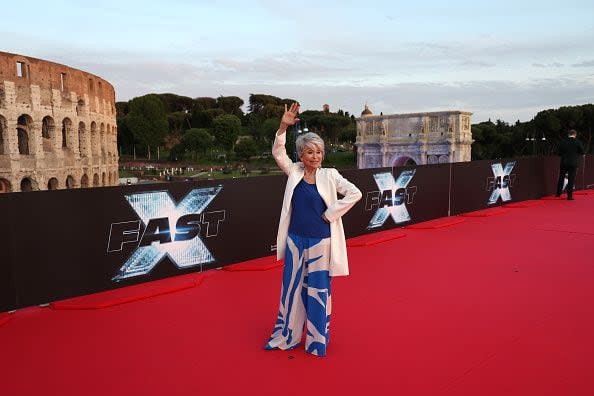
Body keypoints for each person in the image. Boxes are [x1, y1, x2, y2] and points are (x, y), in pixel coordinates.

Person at [264, 103, 362, 357]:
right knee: (292, 289)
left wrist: (330, 214)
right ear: (301, 155)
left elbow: (355, 193)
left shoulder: (331, 175)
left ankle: (317, 340)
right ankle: (288, 335)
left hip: (321, 243)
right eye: (310, 152)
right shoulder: (293, 171)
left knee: (318, 291)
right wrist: (284, 126)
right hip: (295, 240)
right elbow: (278, 152)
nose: (315, 156)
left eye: (319, 152)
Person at [556, 129, 585, 200]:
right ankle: (569, 196)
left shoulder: (563, 142)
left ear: (568, 134)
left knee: (561, 178)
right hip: (573, 163)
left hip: (564, 162)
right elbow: (582, 152)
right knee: (571, 179)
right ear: (575, 135)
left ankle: (558, 193)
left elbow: (558, 153)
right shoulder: (578, 142)